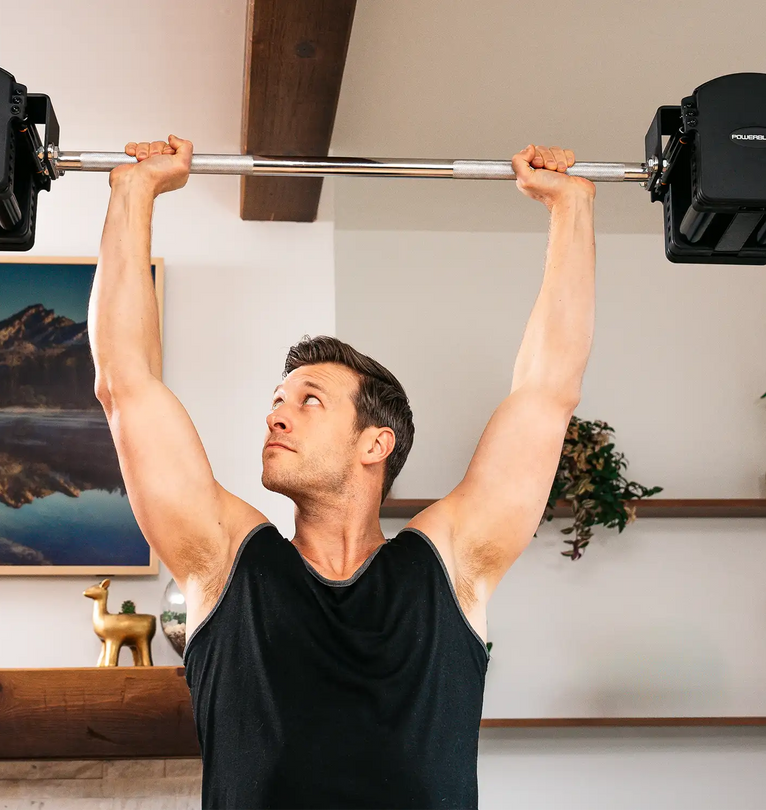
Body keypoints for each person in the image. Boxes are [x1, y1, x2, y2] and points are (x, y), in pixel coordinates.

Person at [89, 135, 596, 810]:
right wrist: (133, 193)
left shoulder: (450, 562)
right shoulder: (225, 559)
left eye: (309, 402)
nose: (276, 417)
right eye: (276, 401)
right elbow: (125, 383)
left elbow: (547, 393)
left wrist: (571, 208)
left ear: (374, 443)